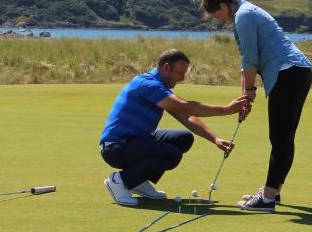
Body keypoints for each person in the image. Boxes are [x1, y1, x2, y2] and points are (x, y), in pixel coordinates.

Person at [192, 0, 312, 212]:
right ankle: (273, 191)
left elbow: (250, 60)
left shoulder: (244, 16)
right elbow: (245, 62)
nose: (218, 17)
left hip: (289, 73)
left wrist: (248, 91)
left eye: (217, 12)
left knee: (280, 138)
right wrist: (245, 96)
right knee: (282, 138)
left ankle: (267, 198)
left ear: (226, 4)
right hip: (293, 73)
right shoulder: (244, 13)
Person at [99, 49, 248, 206]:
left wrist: (215, 139)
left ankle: (137, 181)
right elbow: (185, 107)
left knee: (183, 138)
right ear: (166, 68)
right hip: (116, 148)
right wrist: (226, 109)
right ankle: (119, 181)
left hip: (134, 141)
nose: (182, 78)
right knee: (171, 155)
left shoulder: (160, 89)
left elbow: (186, 116)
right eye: (180, 73)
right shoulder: (147, 84)